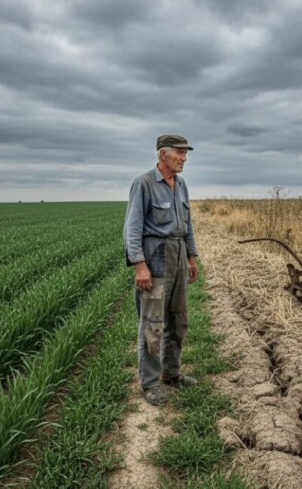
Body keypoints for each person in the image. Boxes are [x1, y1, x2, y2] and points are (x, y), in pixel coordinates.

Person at [123, 134, 200, 405]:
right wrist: (140, 266)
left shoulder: (181, 185)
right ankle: (150, 383)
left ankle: (172, 373)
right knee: (153, 325)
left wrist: (192, 257)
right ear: (162, 154)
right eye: (179, 152)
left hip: (178, 257)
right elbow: (132, 229)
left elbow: (187, 225)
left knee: (178, 320)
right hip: (155, 261)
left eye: (185, 153)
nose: (184, 158)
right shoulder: (144, 184)